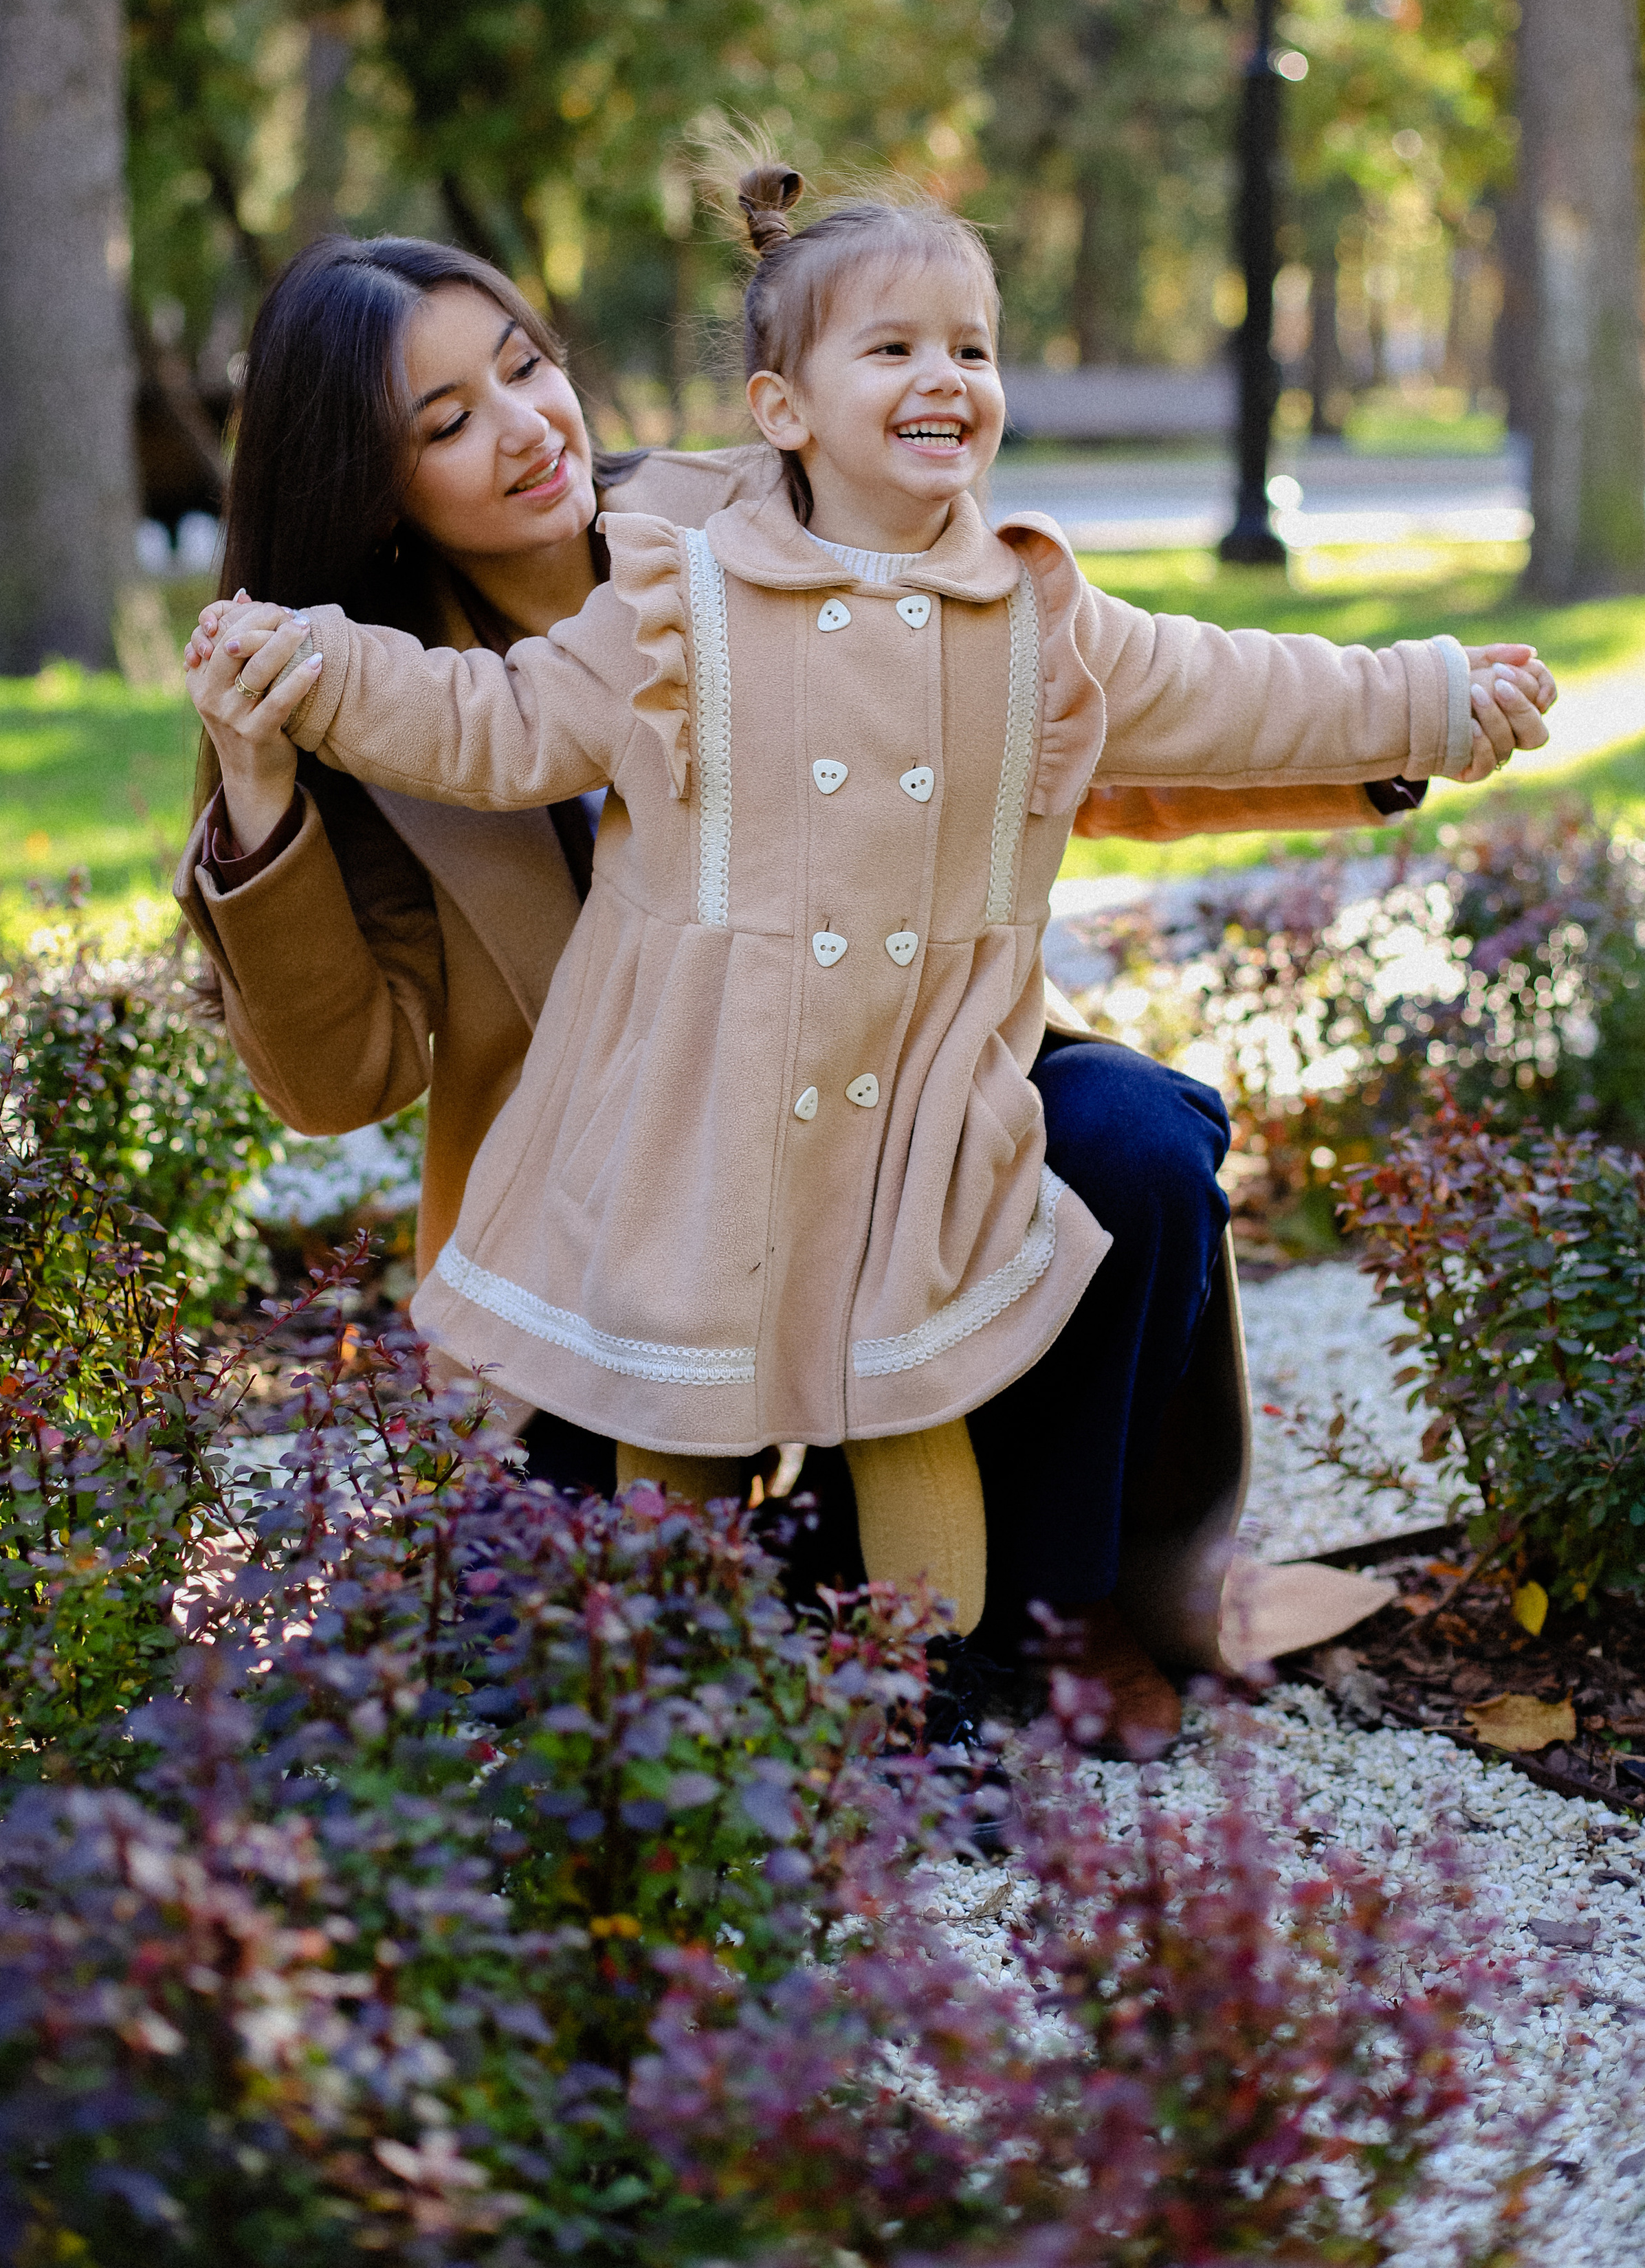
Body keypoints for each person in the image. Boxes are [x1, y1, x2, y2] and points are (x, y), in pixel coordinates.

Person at [181, 182, 1554, 1748]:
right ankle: (757, 1610)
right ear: (369, 485)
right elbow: (340, 1070)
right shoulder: (388, 702)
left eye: (526, 364)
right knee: (537, 1661)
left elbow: (1078, 709)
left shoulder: (750, 509)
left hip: (896, 1086)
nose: (526, 426)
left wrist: (1405, 718)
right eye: (446, 421)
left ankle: (1050, 1612)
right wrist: (271, 776)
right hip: (625, 1204)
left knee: (1128, 1142)